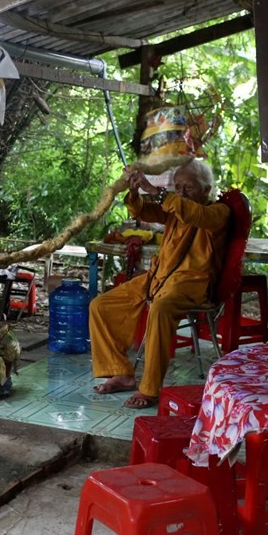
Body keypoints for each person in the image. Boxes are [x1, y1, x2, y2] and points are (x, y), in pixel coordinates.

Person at [89, 159, 230, 408]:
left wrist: (156, 191)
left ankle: (150, 389)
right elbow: (143, 211)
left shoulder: (217, 213)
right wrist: (134, 192)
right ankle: (121, 372)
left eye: (189, 187)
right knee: (101, 305)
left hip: (189, 285)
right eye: (178, 187)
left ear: (206, 190)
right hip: (158, 278)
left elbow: (193, 213)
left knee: (161, 308)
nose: (182, 193)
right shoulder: (175, 210)